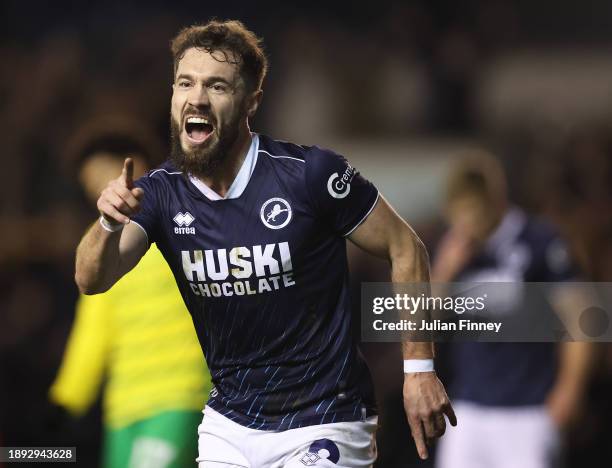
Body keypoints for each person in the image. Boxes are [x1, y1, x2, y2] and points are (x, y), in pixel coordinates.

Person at [74, 20, 455, 467]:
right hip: (229, 426)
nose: (196, 98)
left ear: (250, 100)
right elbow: (90, 278)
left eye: (216, 86)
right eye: (185, 83)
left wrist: (419, 371)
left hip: (325, 417)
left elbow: (406, 247)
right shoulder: (160, 194)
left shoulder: (309, 175)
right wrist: (107, 222)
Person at [50, 123, 212, 468]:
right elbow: (94, 330)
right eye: (90, 186)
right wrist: (68, 399)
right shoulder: (99, 249)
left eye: (102, 177)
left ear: (133, 165)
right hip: (123, 408)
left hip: (180, 394)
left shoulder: (186, 219)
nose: (97, 190)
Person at [433, 151, 594, 468]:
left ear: (494, 201)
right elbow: (423, 327)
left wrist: (571, 386)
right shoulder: (453, 250)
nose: (466, 222)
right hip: (468, 407)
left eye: (472, 210)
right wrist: (444, 272)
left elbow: (580, 316)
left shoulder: (540, 242)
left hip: (527, 409)